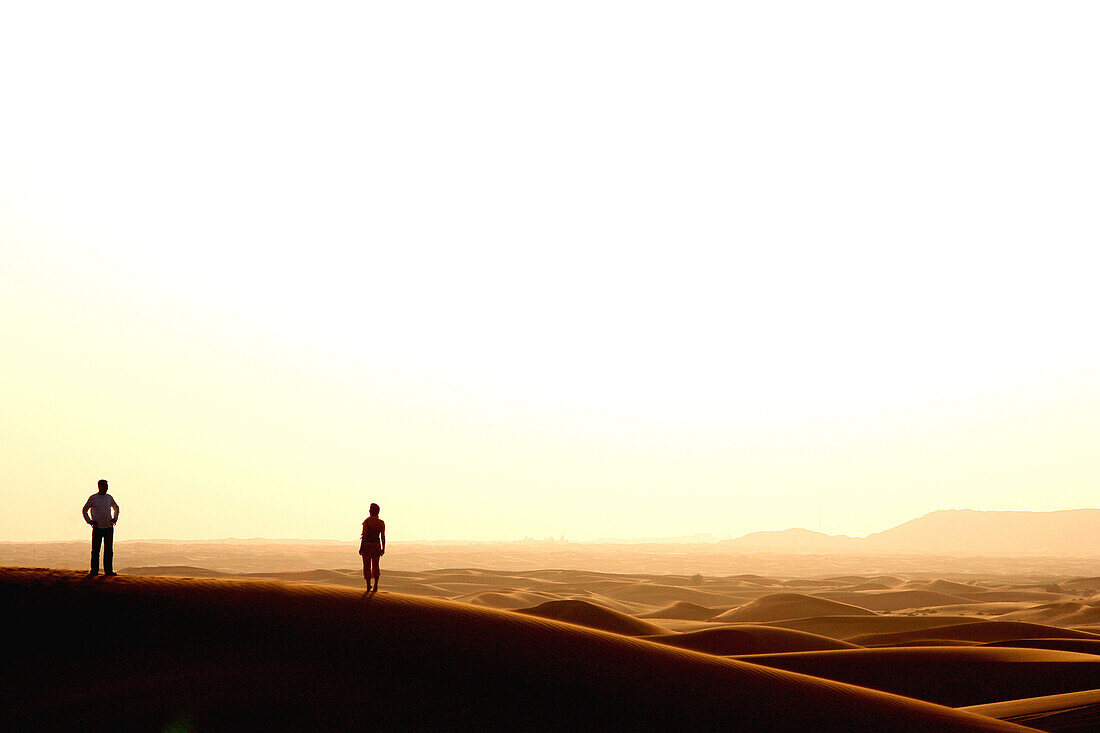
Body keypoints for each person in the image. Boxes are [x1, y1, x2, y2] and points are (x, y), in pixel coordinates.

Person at [82, 479, 120, 577]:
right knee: (95, 550)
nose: (107, 488)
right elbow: (84, 509)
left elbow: (116, 507)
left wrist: (114, 519)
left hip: (108, 527)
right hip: (98, 527)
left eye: (107, 486)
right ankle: (94, 571)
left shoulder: (109, 497)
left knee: (108, 550)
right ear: (100, 486)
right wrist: (89, 521)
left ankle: (108, 571)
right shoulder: (93, 498)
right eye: (105, 486)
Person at [359, 503, 385, 592]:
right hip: (376, 546)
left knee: (367, 565)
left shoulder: (366, 521)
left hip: (367, 545)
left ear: (370, 511)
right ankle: (376, 585)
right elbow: (383, 537)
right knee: (376, 565)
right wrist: (383, 548)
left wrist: (361, 547)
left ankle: (368, 585)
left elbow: (364, 535)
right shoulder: (381, 523)